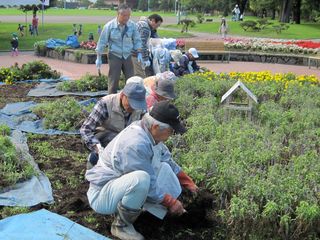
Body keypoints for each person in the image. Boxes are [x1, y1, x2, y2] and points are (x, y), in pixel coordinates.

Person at [85, 100, 198, 240]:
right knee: (141, 179)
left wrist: (188, 183)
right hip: (103, 195)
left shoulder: (150, 134)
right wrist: (171, 202)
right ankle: (121, 226)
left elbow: (168, 160)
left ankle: (146, 211)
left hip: (119, 187)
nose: (171, 135)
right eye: (171, 131)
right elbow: (149, 185)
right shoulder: (136, 143)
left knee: (164, 167)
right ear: (157, 126)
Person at [80, 82, 146, 169]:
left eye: (136, 105)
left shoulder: (140, 108)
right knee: (98, 162)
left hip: (127, 142)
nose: (133, 108)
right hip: (106, 140)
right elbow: (85, 129)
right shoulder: (106, 103)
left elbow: (146, 128)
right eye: (131, 104)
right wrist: (98, 149)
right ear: (123, 95)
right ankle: (94, 164)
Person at [95, 4, 142, 94]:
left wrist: (139, 52)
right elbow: (102, 42)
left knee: (131, 79)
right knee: (114, 79)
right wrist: (99, 57)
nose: (126, 18)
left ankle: (130, 100)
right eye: (124, 15)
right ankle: (111, 99)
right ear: (118, 14)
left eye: (128, 15)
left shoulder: (132, 25)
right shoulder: (109, 26)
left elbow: (137, 40)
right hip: (114, 55)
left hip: (127, 55)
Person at [133, 14, 163, 78]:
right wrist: (145, 59)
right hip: (135, 54)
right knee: (140, 76)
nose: (157, 27)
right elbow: (142, 44)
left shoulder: (142, 24)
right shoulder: (145, 28)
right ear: (153, 21)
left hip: (133, 52)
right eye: (157, 25)